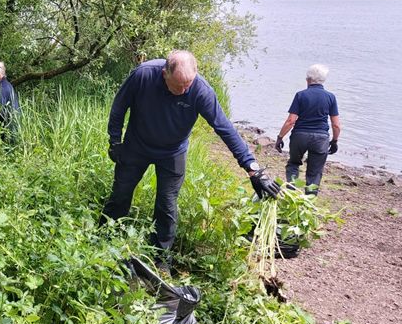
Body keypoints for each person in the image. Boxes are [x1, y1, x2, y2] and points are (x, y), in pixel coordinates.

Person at [101, 50, 280, 268]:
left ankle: (160, 259)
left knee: (166, 205)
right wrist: (115, 141)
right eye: (179, 86)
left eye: (188, 85)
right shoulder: (143, 75)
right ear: (164, 73)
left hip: (172, 152)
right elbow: (119, 107)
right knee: (120, 194)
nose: (184, 90)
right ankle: (104, 240)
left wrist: (253, 169)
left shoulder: (200, 91)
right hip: (136, 146)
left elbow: (224, 128)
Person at [274, 64, 340, 194]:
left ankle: (291, 193)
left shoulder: (300, 95)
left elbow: (291, 121)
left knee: (293, 164)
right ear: (323, 80)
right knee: (315, 172)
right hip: (321, 139)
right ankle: (309, 200)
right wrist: (334, 141)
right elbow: (336, 125)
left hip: (300, 136)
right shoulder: (330, 97)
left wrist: (280, 137)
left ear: (308, 79)